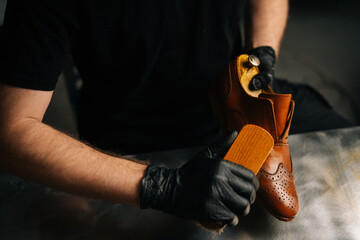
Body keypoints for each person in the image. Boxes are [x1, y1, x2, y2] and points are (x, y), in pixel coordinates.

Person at [0, 0, 354, 228]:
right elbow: (10, 131)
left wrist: (259, 55)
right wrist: (162, 186)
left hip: (238, 107)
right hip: (135, 147)